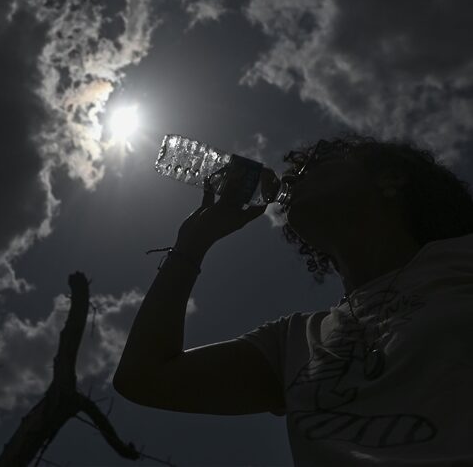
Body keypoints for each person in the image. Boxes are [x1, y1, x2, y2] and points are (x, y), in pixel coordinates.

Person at [113, 134, 473, 466]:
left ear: (389, 179)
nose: (292, 176)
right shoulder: (294, 341)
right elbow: (144, 377)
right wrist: (193, 241)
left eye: (314, 164)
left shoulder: (461, 262)